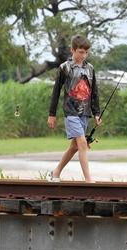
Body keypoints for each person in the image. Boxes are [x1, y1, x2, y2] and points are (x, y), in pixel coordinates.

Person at [46, 35, 102, 183]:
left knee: (74, 147)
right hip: (70, 112)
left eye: (86, 52)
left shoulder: (90, 69)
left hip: (85, 113)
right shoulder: (64, 68)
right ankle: (88, 179)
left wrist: (97, 113)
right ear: (73, 50)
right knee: (82, 144)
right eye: (80, 52)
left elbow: (94, 92)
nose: (83, 55)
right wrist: (52, 114)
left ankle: (55, 172)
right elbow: (56, 91)